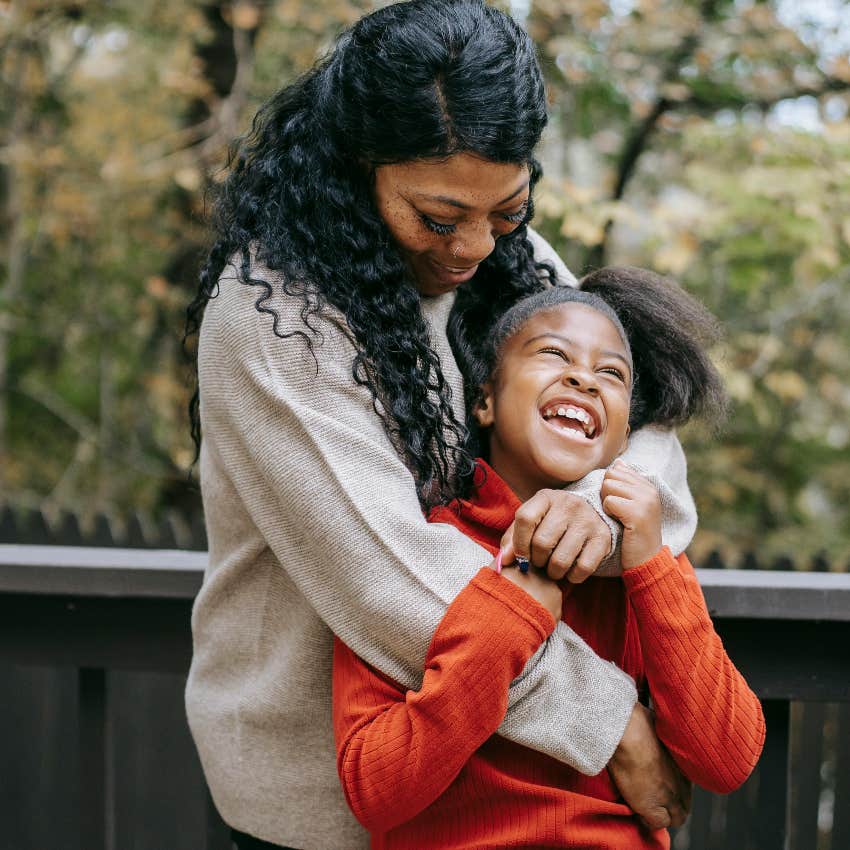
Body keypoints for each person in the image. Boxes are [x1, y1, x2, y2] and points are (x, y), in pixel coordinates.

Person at [184, 3, 697, 848]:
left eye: (507, 211)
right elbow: (396, 581)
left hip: (507, 796)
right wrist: (613, 723)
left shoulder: (511, 259)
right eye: (438, 218)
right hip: (329, 803)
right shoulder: (271, 318)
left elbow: (647, 437)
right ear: (357, 167)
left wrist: (599, 512)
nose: (472, 251)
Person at [333, 268, 766, 849]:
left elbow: (726, 759)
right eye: (553, 354)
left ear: (623, 437)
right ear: (484, 400)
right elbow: (374, 792)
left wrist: (654, 565)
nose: (584, 379)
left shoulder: (642, 561)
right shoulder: (418, 549)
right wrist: (510, 613)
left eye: (610, 373)